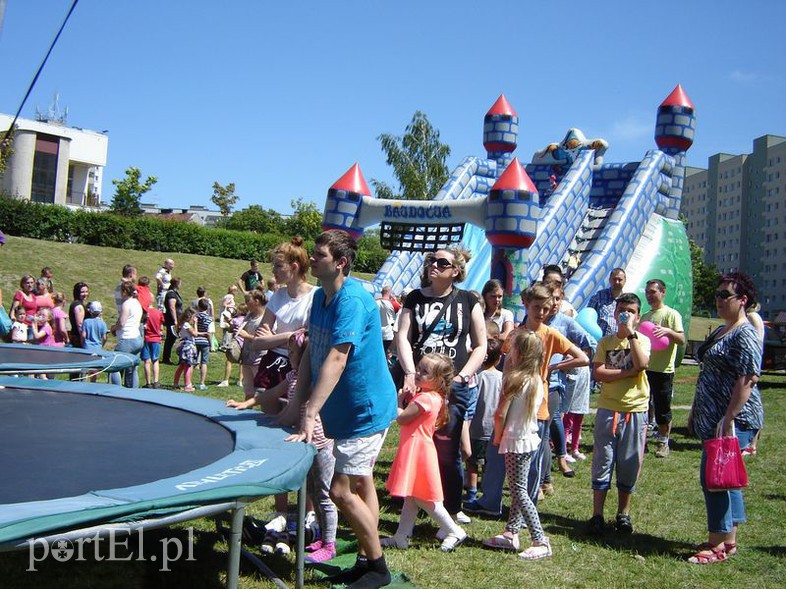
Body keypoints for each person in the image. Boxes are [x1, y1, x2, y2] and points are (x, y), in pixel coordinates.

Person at [282, 230, 397, 589]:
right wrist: (294, 410)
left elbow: (336, 357)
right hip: (345, 411)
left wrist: (311, 412)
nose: (311, 259)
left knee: (340, 490)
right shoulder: (320, 298)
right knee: (361, 483)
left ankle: (377, 567)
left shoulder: (353, 301)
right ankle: (366, 559)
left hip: (365, 410)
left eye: (319, 255)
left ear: (340, 262)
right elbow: (312, 359)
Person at [464, 283, 588, 516]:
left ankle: (525, 505)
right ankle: (491, 500)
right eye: (536, 307)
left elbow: (581, 357)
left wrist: (553, 367)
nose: (540, 313)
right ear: (526, 305)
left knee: (532, 458)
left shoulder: (551, 334)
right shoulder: (515, 334)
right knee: (496, 451)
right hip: (509, 400)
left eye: (545, 309)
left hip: (535, 405)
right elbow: (503, 360)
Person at [228, 331, 339, 564]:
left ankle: (330, 543)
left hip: (319, 443)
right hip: (302, 441)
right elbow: (271, 393)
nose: (289, 356)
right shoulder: (292, 376)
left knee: (323, 494)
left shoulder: (312, 380)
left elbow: (295, 409)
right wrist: (247, 402)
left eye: (293, 352)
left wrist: (281, 420)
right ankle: (319, 536)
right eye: (288, 351)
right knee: (311, 491)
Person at [395, 247, 487, 527]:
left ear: (455, 271)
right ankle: (417, 498)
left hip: (451, 387)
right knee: (416, 444)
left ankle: (452, 504)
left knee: (448, 448)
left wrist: (462, 377)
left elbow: (481, 344)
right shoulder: (414, 297)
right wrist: (410, 372)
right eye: (431, 260)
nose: (434, 265)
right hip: (421, 383)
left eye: (442, 262)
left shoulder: (468, 300)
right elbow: (402, 335)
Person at [687, 272, 764, 564]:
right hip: (713, 415)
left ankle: (716, 543)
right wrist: (697, 409)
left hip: (734, 419)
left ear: (743, 300)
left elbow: (747, 379)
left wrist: (727, 419)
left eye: (725, 296)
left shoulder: (744, 333)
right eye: (717, 295)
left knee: (714, 479)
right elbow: (708, 373)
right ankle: (728, 540)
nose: (718, 301)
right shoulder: (724, 329)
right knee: (725, 477)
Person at [383, 353, 468, 551]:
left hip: (417, 451)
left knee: (424, 498)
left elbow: (403, 418)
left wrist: (397, 402)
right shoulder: (434, 397)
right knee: (411, 496)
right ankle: (401, 536)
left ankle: (454, 530)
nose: (418, 373)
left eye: (425, 372)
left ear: (438, 380)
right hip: (418, 449)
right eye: (419, 368)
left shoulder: (424, 399)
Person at [482, 330, 552, 560]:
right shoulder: (535, 379)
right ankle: (511, 533)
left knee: (519, 491)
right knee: (517, 487)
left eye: (512, 348)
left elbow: (500, 414)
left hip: (516, 440)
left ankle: (539, 539)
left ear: (519, 353)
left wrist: (497, 437)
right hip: (528, 437)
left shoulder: (513, 379)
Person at [588, 292, 651, 535]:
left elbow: (642, 364)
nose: (625, 315)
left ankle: (623, 514)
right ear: (615, 313)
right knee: (603, 460)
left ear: (637, 315)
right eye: (622, 310)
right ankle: (597, 514)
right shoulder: (605, 343)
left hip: (635, 410)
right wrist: (627, 372)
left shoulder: (641, 340)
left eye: (631, 311)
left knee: (629, 463)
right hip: (608, 409)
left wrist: (631, 333)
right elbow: (599, 373)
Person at [250, 237, 315, 396]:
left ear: (294, 267)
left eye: (279, 266)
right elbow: (257, 342)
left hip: (298, 368)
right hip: (272, 365)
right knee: (268, 417)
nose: (273, 271)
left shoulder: (315, 297)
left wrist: (274, 338)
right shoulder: (278, 295)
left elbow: (307, 345)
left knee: (290, 417)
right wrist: (291, 336)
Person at [641, 279, 685, 458]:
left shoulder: (671, 314)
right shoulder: (644, 316)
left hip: (663, 370)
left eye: (653, 292)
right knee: (643, 406)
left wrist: (668, 332)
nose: (650, 295)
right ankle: (641, 441)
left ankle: (663, 443)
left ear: (663, 292)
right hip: (645, 368)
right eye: (647, 292)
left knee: (662, 408)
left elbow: (682, 339)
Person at [465, 338, 503, 504]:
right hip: (494, 429)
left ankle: (471, 492)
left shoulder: (476, 377)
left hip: (476, 428)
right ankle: (486, 491)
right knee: (489, 464)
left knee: (472, 463)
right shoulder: (503, 378)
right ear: (499, 358)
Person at [110, 282, 144, 389]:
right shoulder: (137, 303)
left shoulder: (126, 304)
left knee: (114, 366)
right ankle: (133, 391)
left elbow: (122, 323)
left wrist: (113, 328)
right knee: (132, 367)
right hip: (137, 338)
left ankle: (117, 390)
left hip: (127, 339)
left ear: (124, 291)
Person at [237, 290, 267, 400]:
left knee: (261, 389)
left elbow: (267, 340)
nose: (246, 304)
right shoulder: (249, 315)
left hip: (259, 359)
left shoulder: (265, 318)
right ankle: (246, 411)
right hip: (247, 357)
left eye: (248, 301)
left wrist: (247, 336)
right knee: (248, 389)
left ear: (257, 301)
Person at [587, 267, 627, 337]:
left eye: (620, 280)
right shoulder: (599, 296)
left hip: (614, 343)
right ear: (609, 280)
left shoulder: (626, 302)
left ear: (625, 281)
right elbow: (587, 316)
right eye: (614, 279)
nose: (617, 282)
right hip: (597, 340)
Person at [173, 307, 200, 392]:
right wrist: (195, 324)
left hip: (185, 345)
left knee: (182, 366)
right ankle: (188, 385)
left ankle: (175, 384)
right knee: (188, 365)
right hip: (188, 346)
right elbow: (195, 334)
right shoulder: (186, 325)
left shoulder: (183, 324)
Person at [82, 301, 108, 382]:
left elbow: (83, 335)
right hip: (97, 349)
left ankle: (83, 383)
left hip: (87, 348)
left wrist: (83, 343)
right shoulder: (102, 323)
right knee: (95, 370)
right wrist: (101, 345)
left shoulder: (86, 322)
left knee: (86, 369)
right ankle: (93, 384)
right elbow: (104, 337)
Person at [141, 301, 164, 388]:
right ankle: (156, 381)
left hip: (146, 338)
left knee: (147, 361)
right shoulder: (158, 312)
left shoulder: (144, 313)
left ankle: (148, 382)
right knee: (155, 360)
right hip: (156, 338)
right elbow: (161, 327)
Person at [162, 277, 183, 364]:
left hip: (176, 318)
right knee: (170, 338)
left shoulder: (174, 293)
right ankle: (166, 358)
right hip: (172, 319)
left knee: (172, 338)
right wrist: (175, 320)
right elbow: (172, 307)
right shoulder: (171, 294)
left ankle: (167, 357)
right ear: (177, 284)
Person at [194, 298, 213, 390]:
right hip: (205, 342)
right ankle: (202, 383)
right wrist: (211, 344)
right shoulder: (209, 319)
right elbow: (209, 333)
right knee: (204, 362)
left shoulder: (195, 317)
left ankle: (189, 381)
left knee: (192, 361)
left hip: (195, 340)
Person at [377, 286, 397, 356]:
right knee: (385, 354)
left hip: (377, 332)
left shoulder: (375, 302)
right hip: (389, 334)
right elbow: (402, 310)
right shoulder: (393, 304)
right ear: (390, 293)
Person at [69, 282, 90, 348]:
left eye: (86, 291)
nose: (85, 294)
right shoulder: (78, 306)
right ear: (77, 293)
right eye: (82, 292)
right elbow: (80, 325)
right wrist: (83, 340)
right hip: (78, 339)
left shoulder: (77, 304)